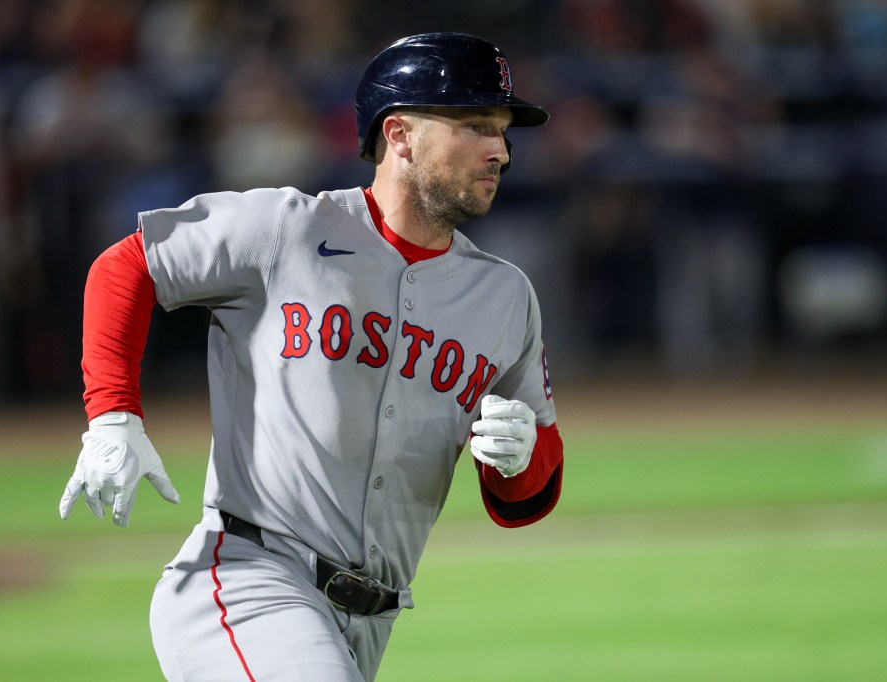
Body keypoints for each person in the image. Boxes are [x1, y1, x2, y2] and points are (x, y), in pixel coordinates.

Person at [58, 32, 563, 682]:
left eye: (501, 129)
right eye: (473, 125)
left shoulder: (504, 295)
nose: (500, 149)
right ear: (399, 135)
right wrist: (112, 416)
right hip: (245, 582)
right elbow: (127, 266)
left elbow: (525, 499)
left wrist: (518, 460)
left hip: (367, 624)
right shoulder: (289, 229)